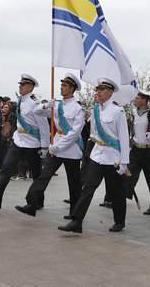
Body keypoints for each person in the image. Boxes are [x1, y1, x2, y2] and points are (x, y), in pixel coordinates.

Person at [58, 78, 130, 233]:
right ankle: (77, 221)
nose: (98, 92)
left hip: (113, 159)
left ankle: (120, 221)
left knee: (116, 191)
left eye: (102, 89)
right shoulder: (96, 110)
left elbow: (124, 138)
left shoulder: (118, 112)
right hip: (97, 156)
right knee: (88, 188)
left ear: (110, 92)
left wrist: (124, 162)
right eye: (98, 89)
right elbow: (94, 134)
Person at [16, 73, 85, 219]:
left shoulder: (77, 108)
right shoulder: (58, 104)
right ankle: (32, 204)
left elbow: (74, 133)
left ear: (72, 89)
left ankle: (75, 212)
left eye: (65, 85)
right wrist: (47, 105)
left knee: (73, 183)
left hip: (71, 149)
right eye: (61, 85)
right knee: (43, 176)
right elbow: (36, 111)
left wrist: (58, 147)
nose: (62, 87)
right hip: (57, 146)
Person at [0, 74, 50, 209]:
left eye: (23, 85)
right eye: (20, 84)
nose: (20, 86)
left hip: (32, 143)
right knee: (6, 169)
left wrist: (45, 146)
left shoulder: (35, 103)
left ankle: (37, 202)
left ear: (30, 87)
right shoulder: (20, 101)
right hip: (18, 141)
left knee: (36, 174)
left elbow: (44, 126)